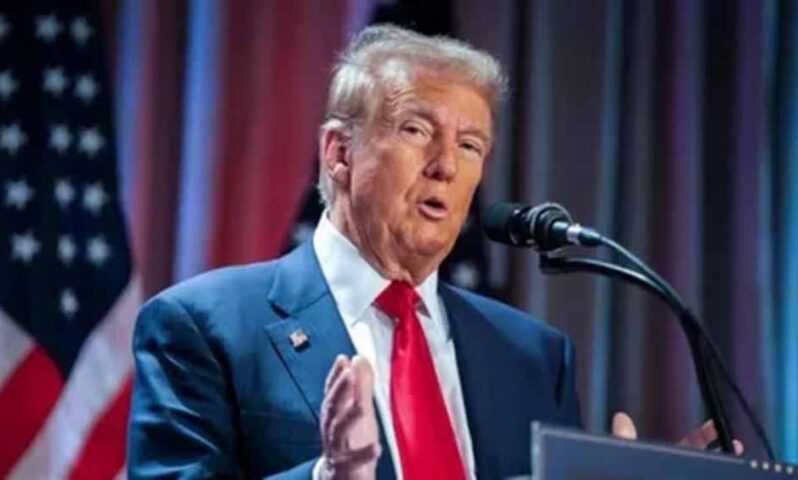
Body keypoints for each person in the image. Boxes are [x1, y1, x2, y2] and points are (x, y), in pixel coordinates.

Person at [127, 25, 727, 480]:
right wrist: (329, 475)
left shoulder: (534, 356)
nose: (445, 166)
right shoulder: (204, 326)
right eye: (416, 130)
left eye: (470, 145)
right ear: (338, 152)